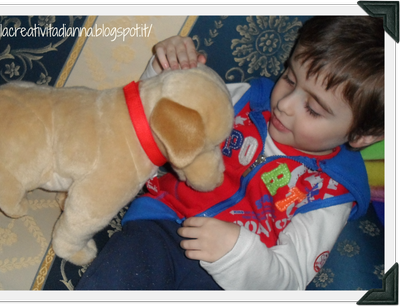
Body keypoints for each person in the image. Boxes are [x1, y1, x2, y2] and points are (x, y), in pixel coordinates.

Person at [75, 16, 384, 290]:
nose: (284, 104)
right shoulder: (243, 100)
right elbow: (152, 121)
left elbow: (289, 282)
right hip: (161, 226)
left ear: (362, 135)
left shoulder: (330, 194)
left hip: (231, 281)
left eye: (313, 109)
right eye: (289, 78)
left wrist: (237, 251)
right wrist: (163, 71)